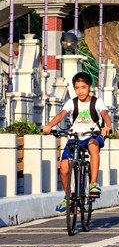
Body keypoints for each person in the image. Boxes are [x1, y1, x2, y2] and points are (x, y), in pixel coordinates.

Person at [43, 72, 112, 213]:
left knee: (93, 145)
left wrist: (107, 127)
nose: (80, 91)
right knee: (63, 167)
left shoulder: (97, 102)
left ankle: (93, 183)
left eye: (84, 87)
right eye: (77, 87)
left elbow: (105, 114)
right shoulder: (72, 102)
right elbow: (61, 114)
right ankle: (68, 198)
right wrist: (49, 126)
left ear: (90, 87)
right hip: (75, 137)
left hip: (92, 135)